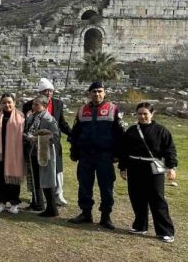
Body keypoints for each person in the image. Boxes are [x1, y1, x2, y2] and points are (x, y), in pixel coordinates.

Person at [68, 81, 124, 229]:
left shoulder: (113, 109)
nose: (97, 94)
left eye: (100, 91)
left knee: (106, 186)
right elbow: (75, 133)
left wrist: (118, 154)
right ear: (89, 93)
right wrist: (74, 152)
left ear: (104, 92)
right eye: (94, 91)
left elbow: (120, 135)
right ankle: (86, 213)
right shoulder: (82, 110)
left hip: (105, 156)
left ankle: (106, 216)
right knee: (84, 185)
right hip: (86, 156)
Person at [119, 103, 177, 243]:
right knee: (137, 197)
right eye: (140, 114)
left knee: (157, 199)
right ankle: (140, 226)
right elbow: (124, 150)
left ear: (152, 114)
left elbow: (170, 150)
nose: (142, 116)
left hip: (154, 167)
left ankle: (165, 231)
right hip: (134, 166)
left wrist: (171, 167)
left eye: (145, 113)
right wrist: (123, 167)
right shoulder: (131, 131)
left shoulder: (161, 130)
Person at [22, 78, 71, 206]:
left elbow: (61, 124)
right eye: (45, 91)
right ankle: (38, 199)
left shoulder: (57, 105)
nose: (48, 93)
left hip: (50, 145)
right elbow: (26, 124)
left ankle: (57, 195)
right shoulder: (29, 106)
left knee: (55, 169)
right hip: (33, 148)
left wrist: (72, 134)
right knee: (35, 173)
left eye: (50, 91)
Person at [0, 92, 25, 215]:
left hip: (14, 152)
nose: (7, 105)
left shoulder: (21, 116)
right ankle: (2, 201)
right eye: (4, 102)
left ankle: (14, 203)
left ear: (14, 103)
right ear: (0, 103)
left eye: (9, 102)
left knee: (13, 178)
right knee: (0, 177)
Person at [24, 96, 60, 217]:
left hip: (45, 153)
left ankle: (52, 208)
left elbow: (55, 137)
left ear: (44, 106)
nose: (34, 107)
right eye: (33, 104)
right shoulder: (32, 117)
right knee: (36, 179)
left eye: (37, 105)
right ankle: (38, 203)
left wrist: (37, 139)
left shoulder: (49, 119)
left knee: (47, 180)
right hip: (33, 153)